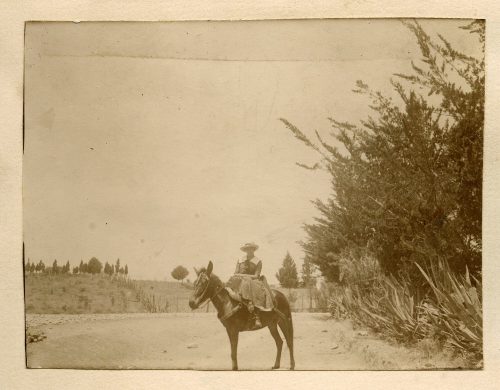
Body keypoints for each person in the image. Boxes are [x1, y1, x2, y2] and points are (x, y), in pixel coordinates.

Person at [233, 242, 264, 329]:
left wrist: (244, 276)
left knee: (249, 284)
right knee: (228, 287)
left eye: (250, 249)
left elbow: (256, 275)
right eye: (247, 249)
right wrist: (239, 276)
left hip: (252, 281)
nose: (249, 251)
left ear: (253, 250)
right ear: (245, 250)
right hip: (239, 279)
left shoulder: (258, 261)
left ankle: (255, 314)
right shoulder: (240, 260)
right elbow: (235, 272)